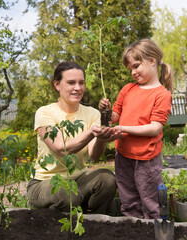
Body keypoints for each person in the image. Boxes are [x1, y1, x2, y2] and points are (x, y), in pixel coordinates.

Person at [27, 61, 122, 214]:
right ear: (57, 85)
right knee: (64, 193)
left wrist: (100, 137)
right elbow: (61, 149)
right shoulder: (45, 112)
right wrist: (92, 132)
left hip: (79, 179)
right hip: (44, 182)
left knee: (107, 178)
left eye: (81, 83)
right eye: (71, 83)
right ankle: (59, 223)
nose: (77, 88)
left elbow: (95, 155)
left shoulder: (92, 113)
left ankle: (95, 221)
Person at [99, 39, 173, 219]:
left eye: (136, 66)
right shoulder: (128, 89)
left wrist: (123, 129)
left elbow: (155, 128)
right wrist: (105, 111)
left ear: (152, 61)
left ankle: (155, 230)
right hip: (123, 155)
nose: (132, 72)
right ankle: (132, 230)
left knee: (150, 202)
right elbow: (114, 118)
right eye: (130, 69)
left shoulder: (162, 94)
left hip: (146, 159)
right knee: (128, 200)